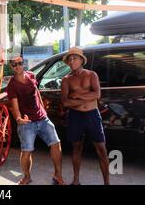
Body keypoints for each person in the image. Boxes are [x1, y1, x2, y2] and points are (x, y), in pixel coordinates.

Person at [6, 56, 64, 185]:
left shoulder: (31, 75)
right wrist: (18, 118)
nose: (18, 66)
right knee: (27, 151)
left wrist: (43, 108)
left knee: (56, 144)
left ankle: (58, 175)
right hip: (27, 123)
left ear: (23, 63)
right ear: (11, 67)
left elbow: (36, 91)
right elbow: (14, 105)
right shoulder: (12, 85)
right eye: (14, 65)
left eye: (20, 63)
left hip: (42, 118)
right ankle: (27, 177)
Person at [60, 47, 110, 185]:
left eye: (74, 58)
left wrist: (77, 96)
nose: (71, 61)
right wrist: (85, 99)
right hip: (75, 117)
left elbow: (97, 94)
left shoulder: (91, 75)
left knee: (101, 148)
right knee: (76, 148)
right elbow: (65, 102)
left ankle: (107, 182)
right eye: (69, 59)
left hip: (92, 115)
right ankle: (76, 180)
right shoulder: (66, 80)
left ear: (81, 60)